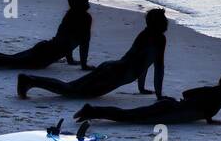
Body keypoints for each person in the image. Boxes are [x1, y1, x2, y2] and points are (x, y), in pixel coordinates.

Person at [17, 8, 167, 100]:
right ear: (158, 23)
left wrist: (141, 88)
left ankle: (30, 80)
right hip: (116, 74)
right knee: (71, 91)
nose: (167, 23)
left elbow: (144, 62)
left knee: (70, 87)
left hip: (112, 67)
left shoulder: (145, 34)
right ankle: (30, 80)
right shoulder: (159, 39)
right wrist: (159, 95)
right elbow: (158, 66)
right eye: (164, 20)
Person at [0, 0, 92, 70]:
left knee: (11, 59)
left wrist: (70, 60)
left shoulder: (70, 15)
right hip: (45, 55)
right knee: (10, 61)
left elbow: (66, 39)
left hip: (46, 48)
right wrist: (84, 65)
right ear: (79, 4)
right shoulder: (84, 18)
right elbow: (83, 42)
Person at [75, 71, 221, 125]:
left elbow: (187, 94)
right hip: (170, 111)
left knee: (129, 115)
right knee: (129, 116)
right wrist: (209, 119)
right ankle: (91, 110)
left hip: (170, 106)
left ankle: (92, 111)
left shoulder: (213, 91)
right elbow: (208, 112)